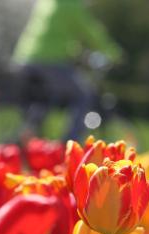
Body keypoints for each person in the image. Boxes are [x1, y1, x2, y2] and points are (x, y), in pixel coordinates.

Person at [13, 0, 122, 141]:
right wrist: (113, 53)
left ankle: (28, 135)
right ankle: (68, 145)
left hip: (25, 58)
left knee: (43, 98)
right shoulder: (71, 5)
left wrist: (75, 52)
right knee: (83, 95)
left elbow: (55, 34)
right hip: (50, 61)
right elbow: (91, 32)